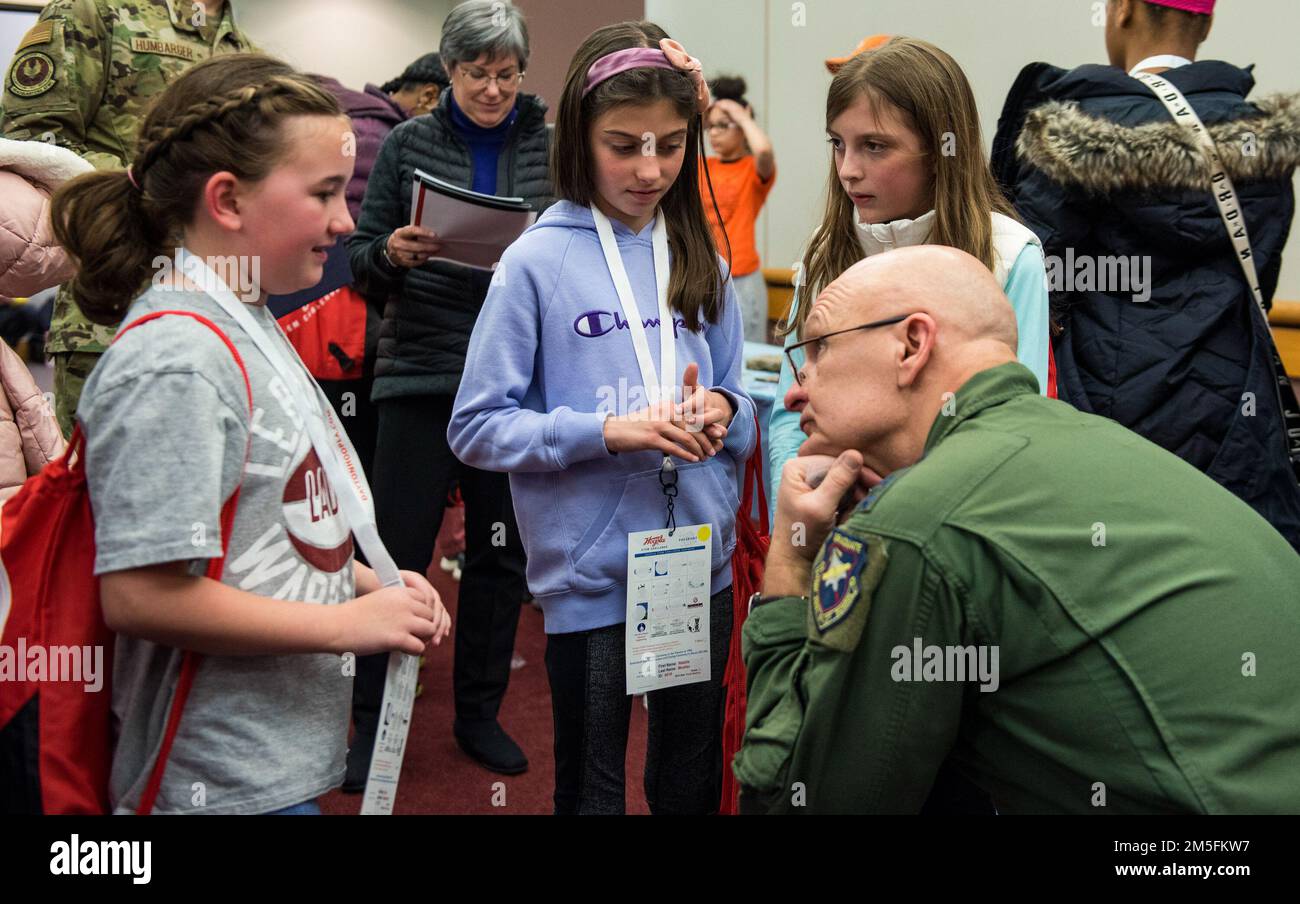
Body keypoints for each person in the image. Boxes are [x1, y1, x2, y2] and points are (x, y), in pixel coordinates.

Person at [736, 245, 1300, 815]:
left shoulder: (920, 521)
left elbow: (798, 797)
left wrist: (790, 556)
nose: (793, 389)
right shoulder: (1095, 441)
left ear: (911, 344)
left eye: (818, 349)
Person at [51, 54, 450, 815]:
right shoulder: (179, 358)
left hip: (264, 765)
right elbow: (141, 596)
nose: (346, 222)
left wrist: (373, 584)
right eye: (326, 193)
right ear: (227, 200)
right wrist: (345, 623)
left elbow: (260, 532)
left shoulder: (243, 317)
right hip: (211, 782)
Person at [448, 21, 757, 815]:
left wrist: (723, 408)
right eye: (623, 145)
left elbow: (743, 402)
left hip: (694, 566)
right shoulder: (535, 262)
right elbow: (476, 428)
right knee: (591, 790)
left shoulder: (700, 256)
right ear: (578, 140)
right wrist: (604, 431)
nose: (649, 169)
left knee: (688, 782)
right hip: (590, 580)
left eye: (670, 144)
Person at [992, 0, 1300, 551]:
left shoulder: (1072, 134)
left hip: (1104, 424)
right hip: (1236, 418)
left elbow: (1034, 288)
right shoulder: (1262, 148)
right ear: (1206, 22)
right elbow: (1261, 283)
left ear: (1123, 11)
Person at [347, 0, 551, 778]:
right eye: (476, 74)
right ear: (448, 71)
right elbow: (360, 257)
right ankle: (371, 724)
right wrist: (394, 252)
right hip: (422, 373)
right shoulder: (407, 143)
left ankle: (478, 716)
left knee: (500, 560)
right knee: (397, 556)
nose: (493, 89)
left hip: (513, 380)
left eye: (506, 74)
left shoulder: (550, 144)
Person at [766, 37, 1051, 500]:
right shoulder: (825, 250)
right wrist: (797, 508)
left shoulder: (1010, 254)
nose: (848, 170)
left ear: (942, 152)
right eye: (838, 144)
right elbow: (788, 412)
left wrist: (907, 514)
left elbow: (1020, 424)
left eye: (875, 147)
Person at [0, 0, 254, 439]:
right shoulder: (95, 10)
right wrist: (160, 190)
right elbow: (31, 136)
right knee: (100, 498)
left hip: (226, 316)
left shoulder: (247, 52)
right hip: (116, 308)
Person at [700, 75, 776, 343]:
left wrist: (742, 118)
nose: (715, 133)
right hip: (704, 277)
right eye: (711, 127)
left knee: (746, 355)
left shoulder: (752, 169)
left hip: (742, 279)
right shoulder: (702, 167)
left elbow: (764, 151)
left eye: (723, 125)